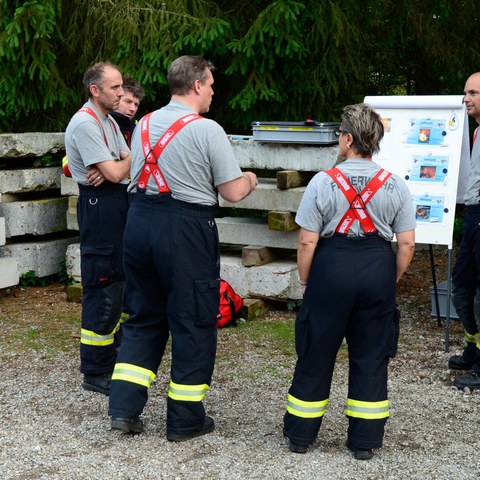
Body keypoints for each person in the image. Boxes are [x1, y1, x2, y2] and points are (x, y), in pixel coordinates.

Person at [108, 55, 258, 439]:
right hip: (184, 230)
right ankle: (185, 420)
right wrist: (251, 179)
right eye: (209, 85)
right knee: (193, 321)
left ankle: (123, 410)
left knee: (142, 316)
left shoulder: (142, 124)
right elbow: (232, 191)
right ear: (195, 85)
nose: (211, 92)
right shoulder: (207, 130)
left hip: (139, 223)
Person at [283, 103, 416, 460]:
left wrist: (308, 280)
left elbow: (308, 240)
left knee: (316, 352)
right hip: (377, 269)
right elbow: (406, 244)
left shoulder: (322, 182)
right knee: (371, 355)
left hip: (330, 269)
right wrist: (392, 278)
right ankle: (364, 442)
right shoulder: (396, 185)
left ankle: (300, 436)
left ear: (346, 139)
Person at [65, 62, 132, 396]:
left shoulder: (109, 120)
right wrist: (116, 167)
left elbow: (127, 160)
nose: (122, 93)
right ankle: (95, 370)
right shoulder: (85, 123)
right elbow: (119, 171)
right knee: (101, 286)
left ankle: (111, 359)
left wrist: (117, 166)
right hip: (98, 205)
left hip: (114, 205)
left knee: (117, 284)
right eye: (116, 87)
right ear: (95, 90)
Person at [449, 72, 480, 390]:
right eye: (465, 92)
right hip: (473, 218)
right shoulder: (476, 131)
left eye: (473, 93)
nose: (466, 98)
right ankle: (473, 347)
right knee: (461, 287)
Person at [109, 76, 145, 147]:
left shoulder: (138, 127)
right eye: (128, 102)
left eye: (136, 104)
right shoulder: (102, 124)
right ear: (116, 99)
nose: (133, 109)